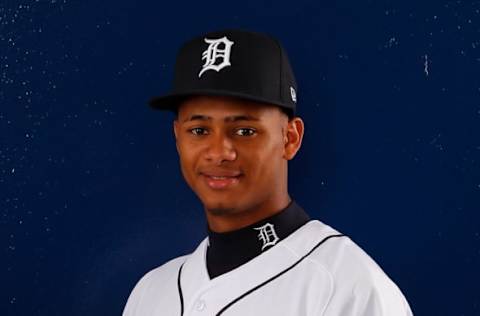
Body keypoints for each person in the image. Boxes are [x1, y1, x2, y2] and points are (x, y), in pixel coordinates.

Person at [123, 29, 413, 316]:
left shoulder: (347, 288)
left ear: (290, 138)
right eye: (199, 130)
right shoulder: (151, 293)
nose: (219, 151)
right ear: (177, 137)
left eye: (245, 131)